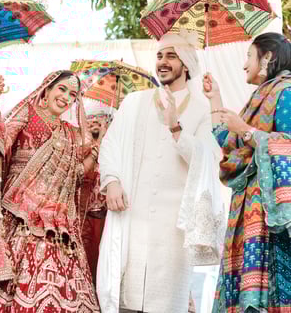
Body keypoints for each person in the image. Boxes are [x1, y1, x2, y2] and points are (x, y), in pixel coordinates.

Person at [97, 29, 225, 313]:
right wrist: (112, 181)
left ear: (187, 64)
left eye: (171, 55)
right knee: (124, 301)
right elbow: (110, 145)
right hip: (131, 218)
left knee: (166, 303)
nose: (163, 62)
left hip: (173, 231)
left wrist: (175, 127)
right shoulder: (135, 102)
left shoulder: (203, 111)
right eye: (159, 55)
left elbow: (208, 160)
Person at [0, 70, 100, 312]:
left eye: (72, 94)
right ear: (46, 90)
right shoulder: (28, 114)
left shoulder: (70, 133)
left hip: (59, 229)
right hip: (19, 221)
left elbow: (76, 174)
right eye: (61, 89)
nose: (66, 97)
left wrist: (98, 152)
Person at [203, 32, 291, 312]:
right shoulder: (259, 98)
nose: (243, 65)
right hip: (246, 209)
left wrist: (246, 130)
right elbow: (230, 147)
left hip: (271, 214)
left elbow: (287, 145)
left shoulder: (286, 93)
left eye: (248, 56)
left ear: (268, 57)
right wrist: (214, 99)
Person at [79, 109, 110, 284]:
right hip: (82, 214)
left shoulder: (112, 145)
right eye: (90, 121)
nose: (93, 124)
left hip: (103, 215)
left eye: (98, 121)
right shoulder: (81, 145)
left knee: (101, 260)